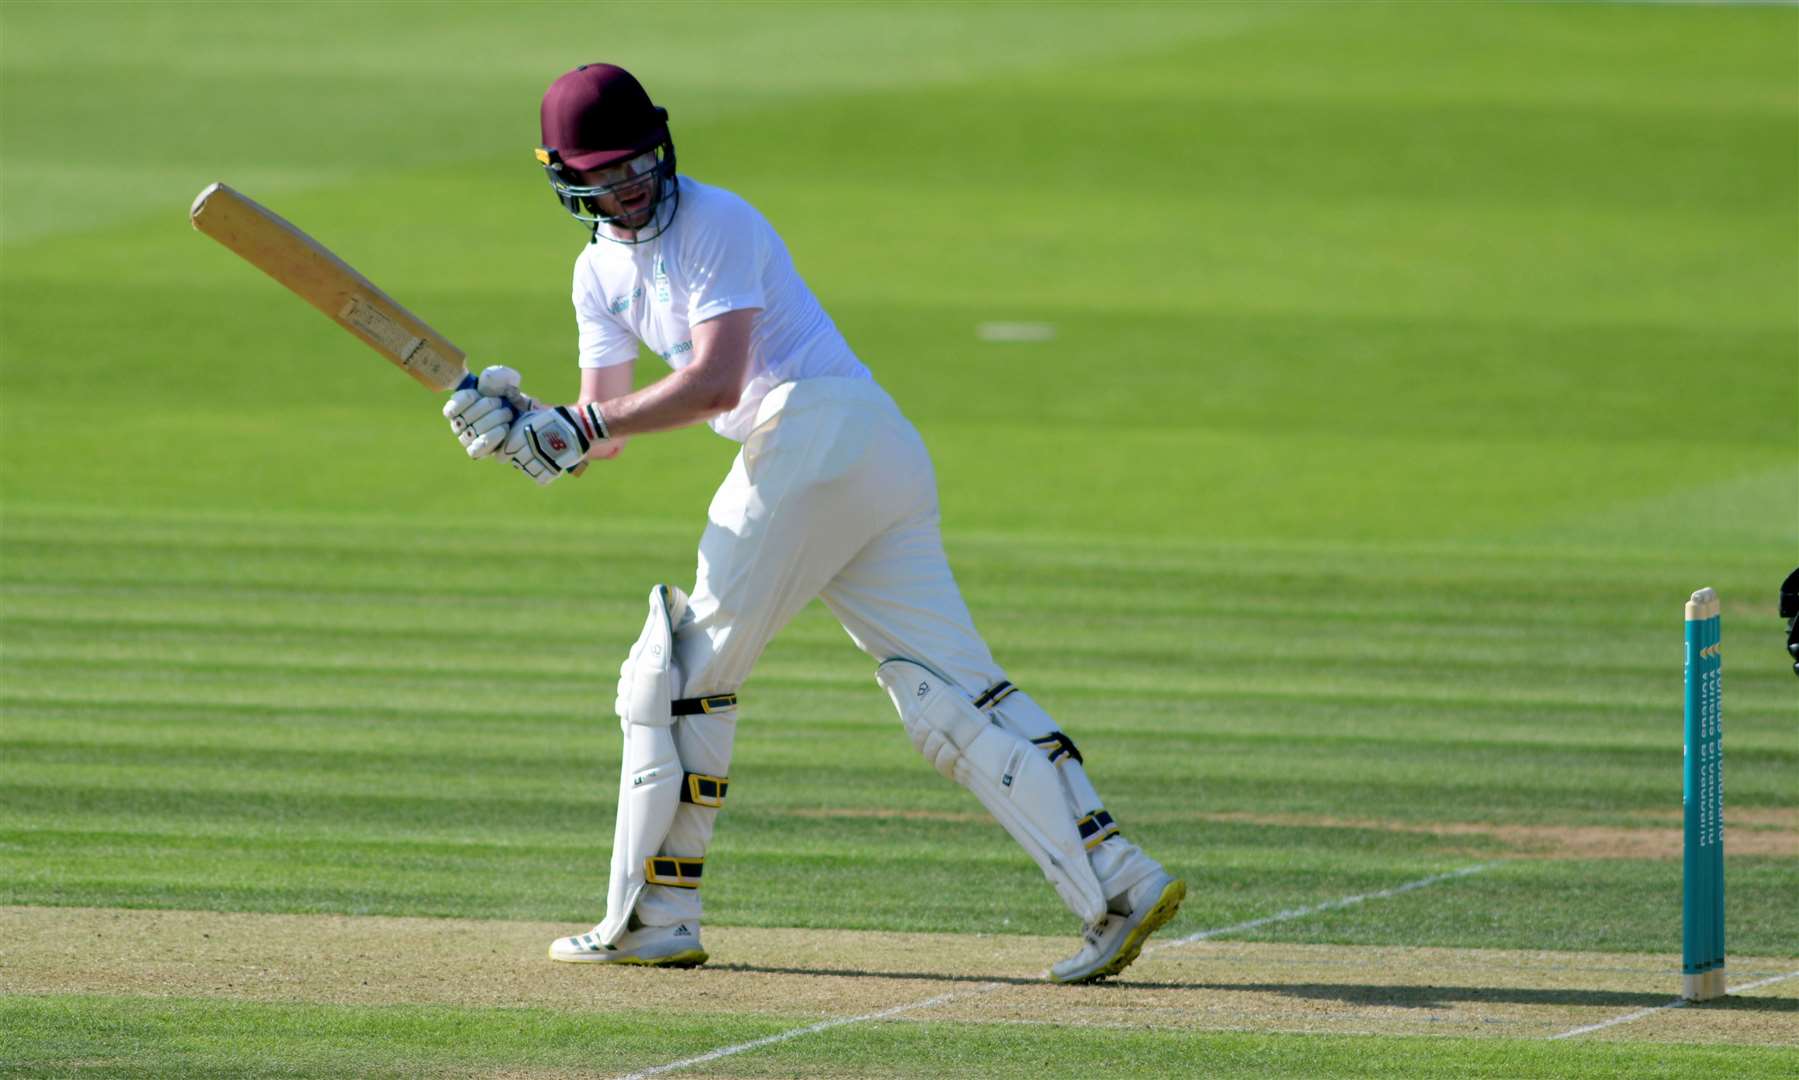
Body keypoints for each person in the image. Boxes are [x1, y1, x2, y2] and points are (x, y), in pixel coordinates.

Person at [443, 63, 1184, 984]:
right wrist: (521, 430)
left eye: (636, 164)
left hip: (819, 429)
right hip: (859, 452)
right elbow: (603, 426)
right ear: (563, 175)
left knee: (678, 672)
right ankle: (1118, 878)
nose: (627, 185)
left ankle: (654, 916)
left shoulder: (716, 221)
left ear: (662, 149)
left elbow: (713, 383)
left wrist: (580, 426)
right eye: (603, 172)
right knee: (948, 692)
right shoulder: (597, 272)